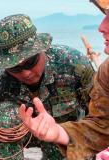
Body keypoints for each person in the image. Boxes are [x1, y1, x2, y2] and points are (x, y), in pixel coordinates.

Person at [0, 14, 95, 160]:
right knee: (3, 114)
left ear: (42, 50)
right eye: (15, 68)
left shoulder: (74, 65)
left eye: (30, 63)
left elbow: (100, 113)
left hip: (66, 133)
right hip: (25, 134)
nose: (26, 73)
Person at [19, 1, 109, 160]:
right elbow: (102, 127)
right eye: (106, 16)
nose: (101, 27)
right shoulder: (106, 72)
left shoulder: (73, 61)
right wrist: (59, 132)